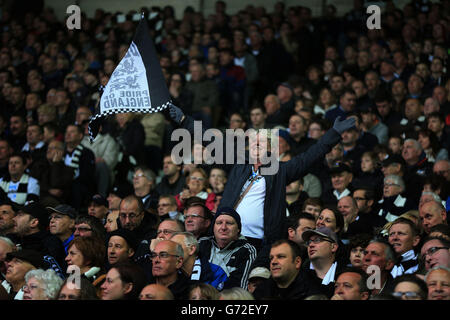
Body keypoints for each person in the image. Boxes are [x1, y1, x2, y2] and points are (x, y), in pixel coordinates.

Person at [169, 103, 355, 267]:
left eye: (262, 143)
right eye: (253, 142)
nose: (256, 145)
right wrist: (186, 120)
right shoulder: (238, 163)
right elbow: (211, 140)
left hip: (260, 243)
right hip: (225, 238)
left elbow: (310, 157)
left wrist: (334, 134)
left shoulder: (280, 171)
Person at [198, 207, 257, 290]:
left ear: (238, 229)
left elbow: (241, 290)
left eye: (229, 223)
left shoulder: (247, 250)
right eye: (219, 223)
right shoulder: (202, 243)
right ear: (213, 227)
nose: (223, 227)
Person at [253, 239, 319, 300]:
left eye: (280, 257)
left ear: (297, 262)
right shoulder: (261, 291)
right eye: (271, 258)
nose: (273, 262)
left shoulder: (314, 293)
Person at [10, 202, 66, 272]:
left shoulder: (51, 245)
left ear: (34, 223)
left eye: (20, 215)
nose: (14, 218)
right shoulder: (15, 240)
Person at [63, 124, 96, 210]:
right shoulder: (60, 152)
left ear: (80, 136)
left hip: (78, 189)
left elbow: (87, 177)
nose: (68, 134)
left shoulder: (87, 153)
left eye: (72, 132)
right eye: (66, 132)